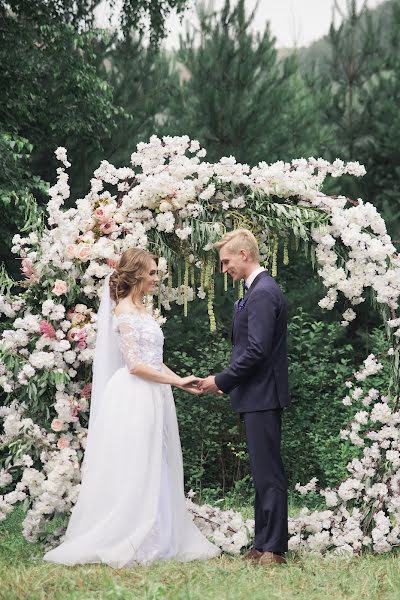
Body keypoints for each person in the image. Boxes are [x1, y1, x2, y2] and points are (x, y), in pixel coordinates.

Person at [44, 248, 221, 568]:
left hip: (155, 393)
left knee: (158, 459)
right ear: (136, 274)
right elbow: (136, 366)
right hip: (134, 395)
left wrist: (179, 378)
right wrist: (177, 383)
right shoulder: (124, 310)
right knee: (138, 461)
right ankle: (131, 533)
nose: (156, 278)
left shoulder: (143, 309)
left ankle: (161, 531)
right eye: (152, 273)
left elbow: (153, 359)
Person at [198, 228, 289, 566]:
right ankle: (262, 543)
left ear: (244, 255)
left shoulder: (263, 293)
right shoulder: (256, 291)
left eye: (226, 262)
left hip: (262, 394)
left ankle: (275, 549)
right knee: (262, 472)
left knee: (269, 474)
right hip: (256, 394)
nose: (224, 269)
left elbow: (256, 351)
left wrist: (221, 381)